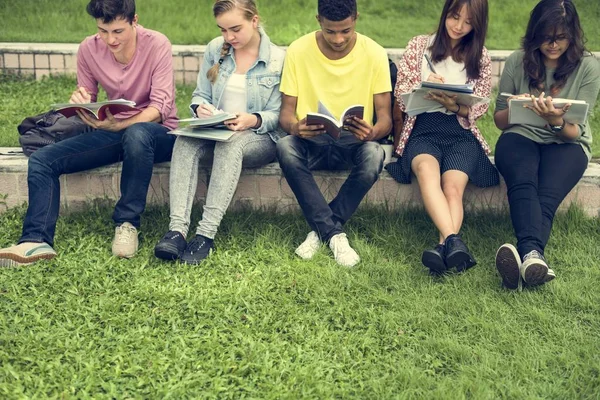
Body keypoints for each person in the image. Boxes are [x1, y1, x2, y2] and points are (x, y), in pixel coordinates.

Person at [0, 0, 177, 267]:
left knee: (138, 134)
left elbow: (160, 108)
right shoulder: (89, 48)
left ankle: (127, 223)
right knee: (42, 160)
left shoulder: (157, 44)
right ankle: (36, 241)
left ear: (134, 20)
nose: (110, 39)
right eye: (103, 31)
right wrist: (81, 101)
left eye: (118, 31)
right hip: (115, 131)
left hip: (157, 134)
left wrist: (120, 125)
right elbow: (89, 98)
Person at [154, 0, 285, 264]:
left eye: (235, 29)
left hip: (259, 138)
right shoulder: (216, 48)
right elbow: (200, 94)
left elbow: (279, 115)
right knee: (185, 140)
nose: (229, 37)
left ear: (254, 20)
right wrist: (200, 108)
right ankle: (177, 230)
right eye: (223, 30)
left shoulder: (278, 59)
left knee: (231, 145)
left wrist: (252, 119)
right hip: (216, 130)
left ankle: (205, 234)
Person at [384, 0, 498, 275]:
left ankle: (442, 246)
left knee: (453, 187)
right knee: (426, 170)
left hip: (460, 132)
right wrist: (425, 86)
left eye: (468, 22)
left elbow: (480, 106)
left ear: (477, 26)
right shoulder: (420, 46)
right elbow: (401, 94)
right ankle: (454, 243)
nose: (458, 26)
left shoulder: (479, 56)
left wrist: (454, 105)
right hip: (423, 129)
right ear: (445, 13)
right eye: (454, 17)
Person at [277, 0, 392, 268]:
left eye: (346, 31)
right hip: (312, 140)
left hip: (353, 142)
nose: (338, 39)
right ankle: (334, 234)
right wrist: (295, 127)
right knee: (284, 146)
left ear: (356, 19)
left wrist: (373, 131)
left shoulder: (374, 53)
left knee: (375, 153)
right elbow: (286, 114)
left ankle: (323, 229)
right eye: (330, 31)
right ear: (318, 20)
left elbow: (385, 118)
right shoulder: (298, 50)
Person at [493, 0, 600, 289]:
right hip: (520, 136)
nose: (553, 45)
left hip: (566, 143)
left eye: (561, 37)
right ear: (535, 34)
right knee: (522, 183)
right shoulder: (518, 60)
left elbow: (573, 131)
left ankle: (528, 255)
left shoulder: (588, 67)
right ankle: (533, 258)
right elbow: (500, 121)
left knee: (546, 198)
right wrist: (517, 107)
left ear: (572, 35)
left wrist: (554, 120)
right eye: (546, 37)